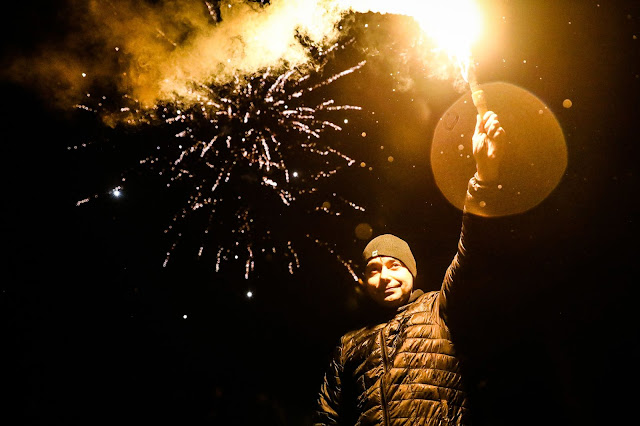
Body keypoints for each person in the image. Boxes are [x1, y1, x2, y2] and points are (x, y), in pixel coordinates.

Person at [314, 111, 507, 425]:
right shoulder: (349, 346)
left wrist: (484, 176)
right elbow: (328, 417)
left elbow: (474, 248)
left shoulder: (438, 309)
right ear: (363, 283)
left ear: (411, 272)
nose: (384, 276)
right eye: (373, 270)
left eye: (394, 265)